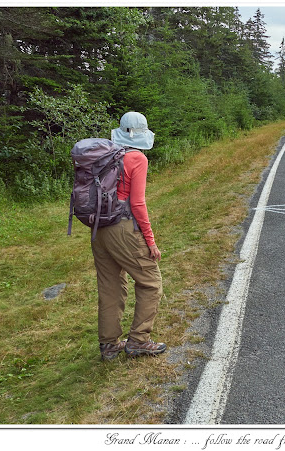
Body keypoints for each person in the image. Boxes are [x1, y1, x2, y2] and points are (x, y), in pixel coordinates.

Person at [94, 112, 166, 361]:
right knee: (150, 282)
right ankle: (138, 341)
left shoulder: (105, 155)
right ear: (143, 134)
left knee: (110, 285)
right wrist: (150, 241)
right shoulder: (137, 158)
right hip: (123, 227)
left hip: (99, 228)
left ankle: (109, 345)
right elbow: (137, 203)